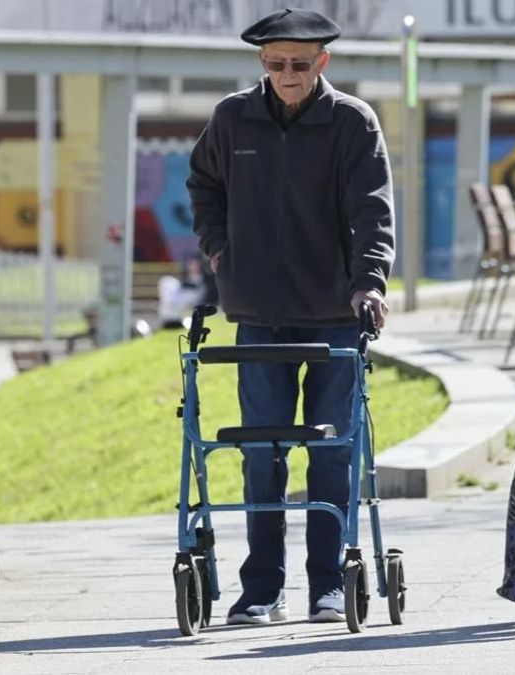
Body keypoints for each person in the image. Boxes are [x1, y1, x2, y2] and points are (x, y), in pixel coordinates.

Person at [186, 7, 395, 625]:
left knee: (330, 451)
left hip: (333, 312)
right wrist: (218, 246)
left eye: (300, 64)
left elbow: (374, 209)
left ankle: (328, 585)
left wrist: (370, 283)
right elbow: (203, 184)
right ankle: (261, 589)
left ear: (322, 62)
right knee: (263, 452)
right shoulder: (231, 118)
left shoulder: (352, 121)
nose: (288, 74)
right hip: (258, 313)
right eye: (276, 64)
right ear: (262, 63)